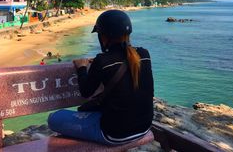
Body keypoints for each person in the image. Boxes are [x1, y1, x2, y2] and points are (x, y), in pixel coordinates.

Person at [47, 10, 154, 145]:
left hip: (114, 134)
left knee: (53, 118)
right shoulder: (144, 54)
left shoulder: (102, 61)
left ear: (104, 37)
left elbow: (86, 92)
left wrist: (81, 67)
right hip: (143, 128)